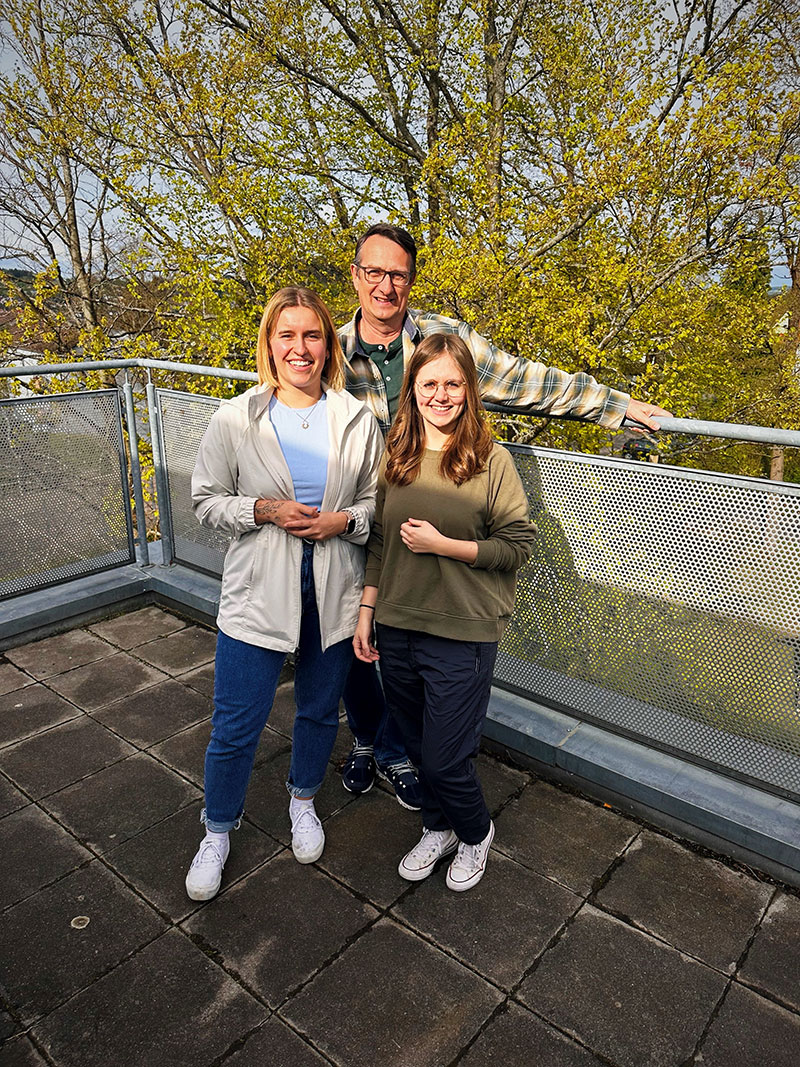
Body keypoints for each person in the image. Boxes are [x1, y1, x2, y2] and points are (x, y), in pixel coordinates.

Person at [337, 222, 671, 804]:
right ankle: (369, 741)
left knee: (401, 643)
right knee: (354, 637)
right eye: (375, 271)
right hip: (356, 518)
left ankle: (398, 752)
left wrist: (615, 406)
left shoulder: (444, 342)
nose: (385, 286)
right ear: (355, 274)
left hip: (424, 521)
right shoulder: (333, 353)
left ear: (411, 282)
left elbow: (526, 381)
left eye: (398, 274)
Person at [185, 287, 383, 900]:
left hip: (334, 589)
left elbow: (377, 505)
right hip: (259, 591)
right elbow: (205, 501)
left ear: (330, 345)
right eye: (287, 336)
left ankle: (302, 802)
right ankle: (217, 830)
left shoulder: (356, 418)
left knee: (321, 710)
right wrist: (262, 509)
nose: (300, 348)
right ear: (271, 343)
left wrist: (342, 522)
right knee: (236, 724)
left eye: (313, 335)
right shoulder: (235, 417)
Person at [353, 333, 537, 891]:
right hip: (398, 626)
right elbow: (381, 541)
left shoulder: (492, 460)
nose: (441, 395)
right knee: (413, 744)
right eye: (429, 383)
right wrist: (367, 611)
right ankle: (439, 827)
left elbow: (519, 546)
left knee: (445, 758)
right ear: (412, 389)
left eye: (452, 384)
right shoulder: (398, 456)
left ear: (468, 390)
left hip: (461, 632)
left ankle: (476, 833)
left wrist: (445, 545)